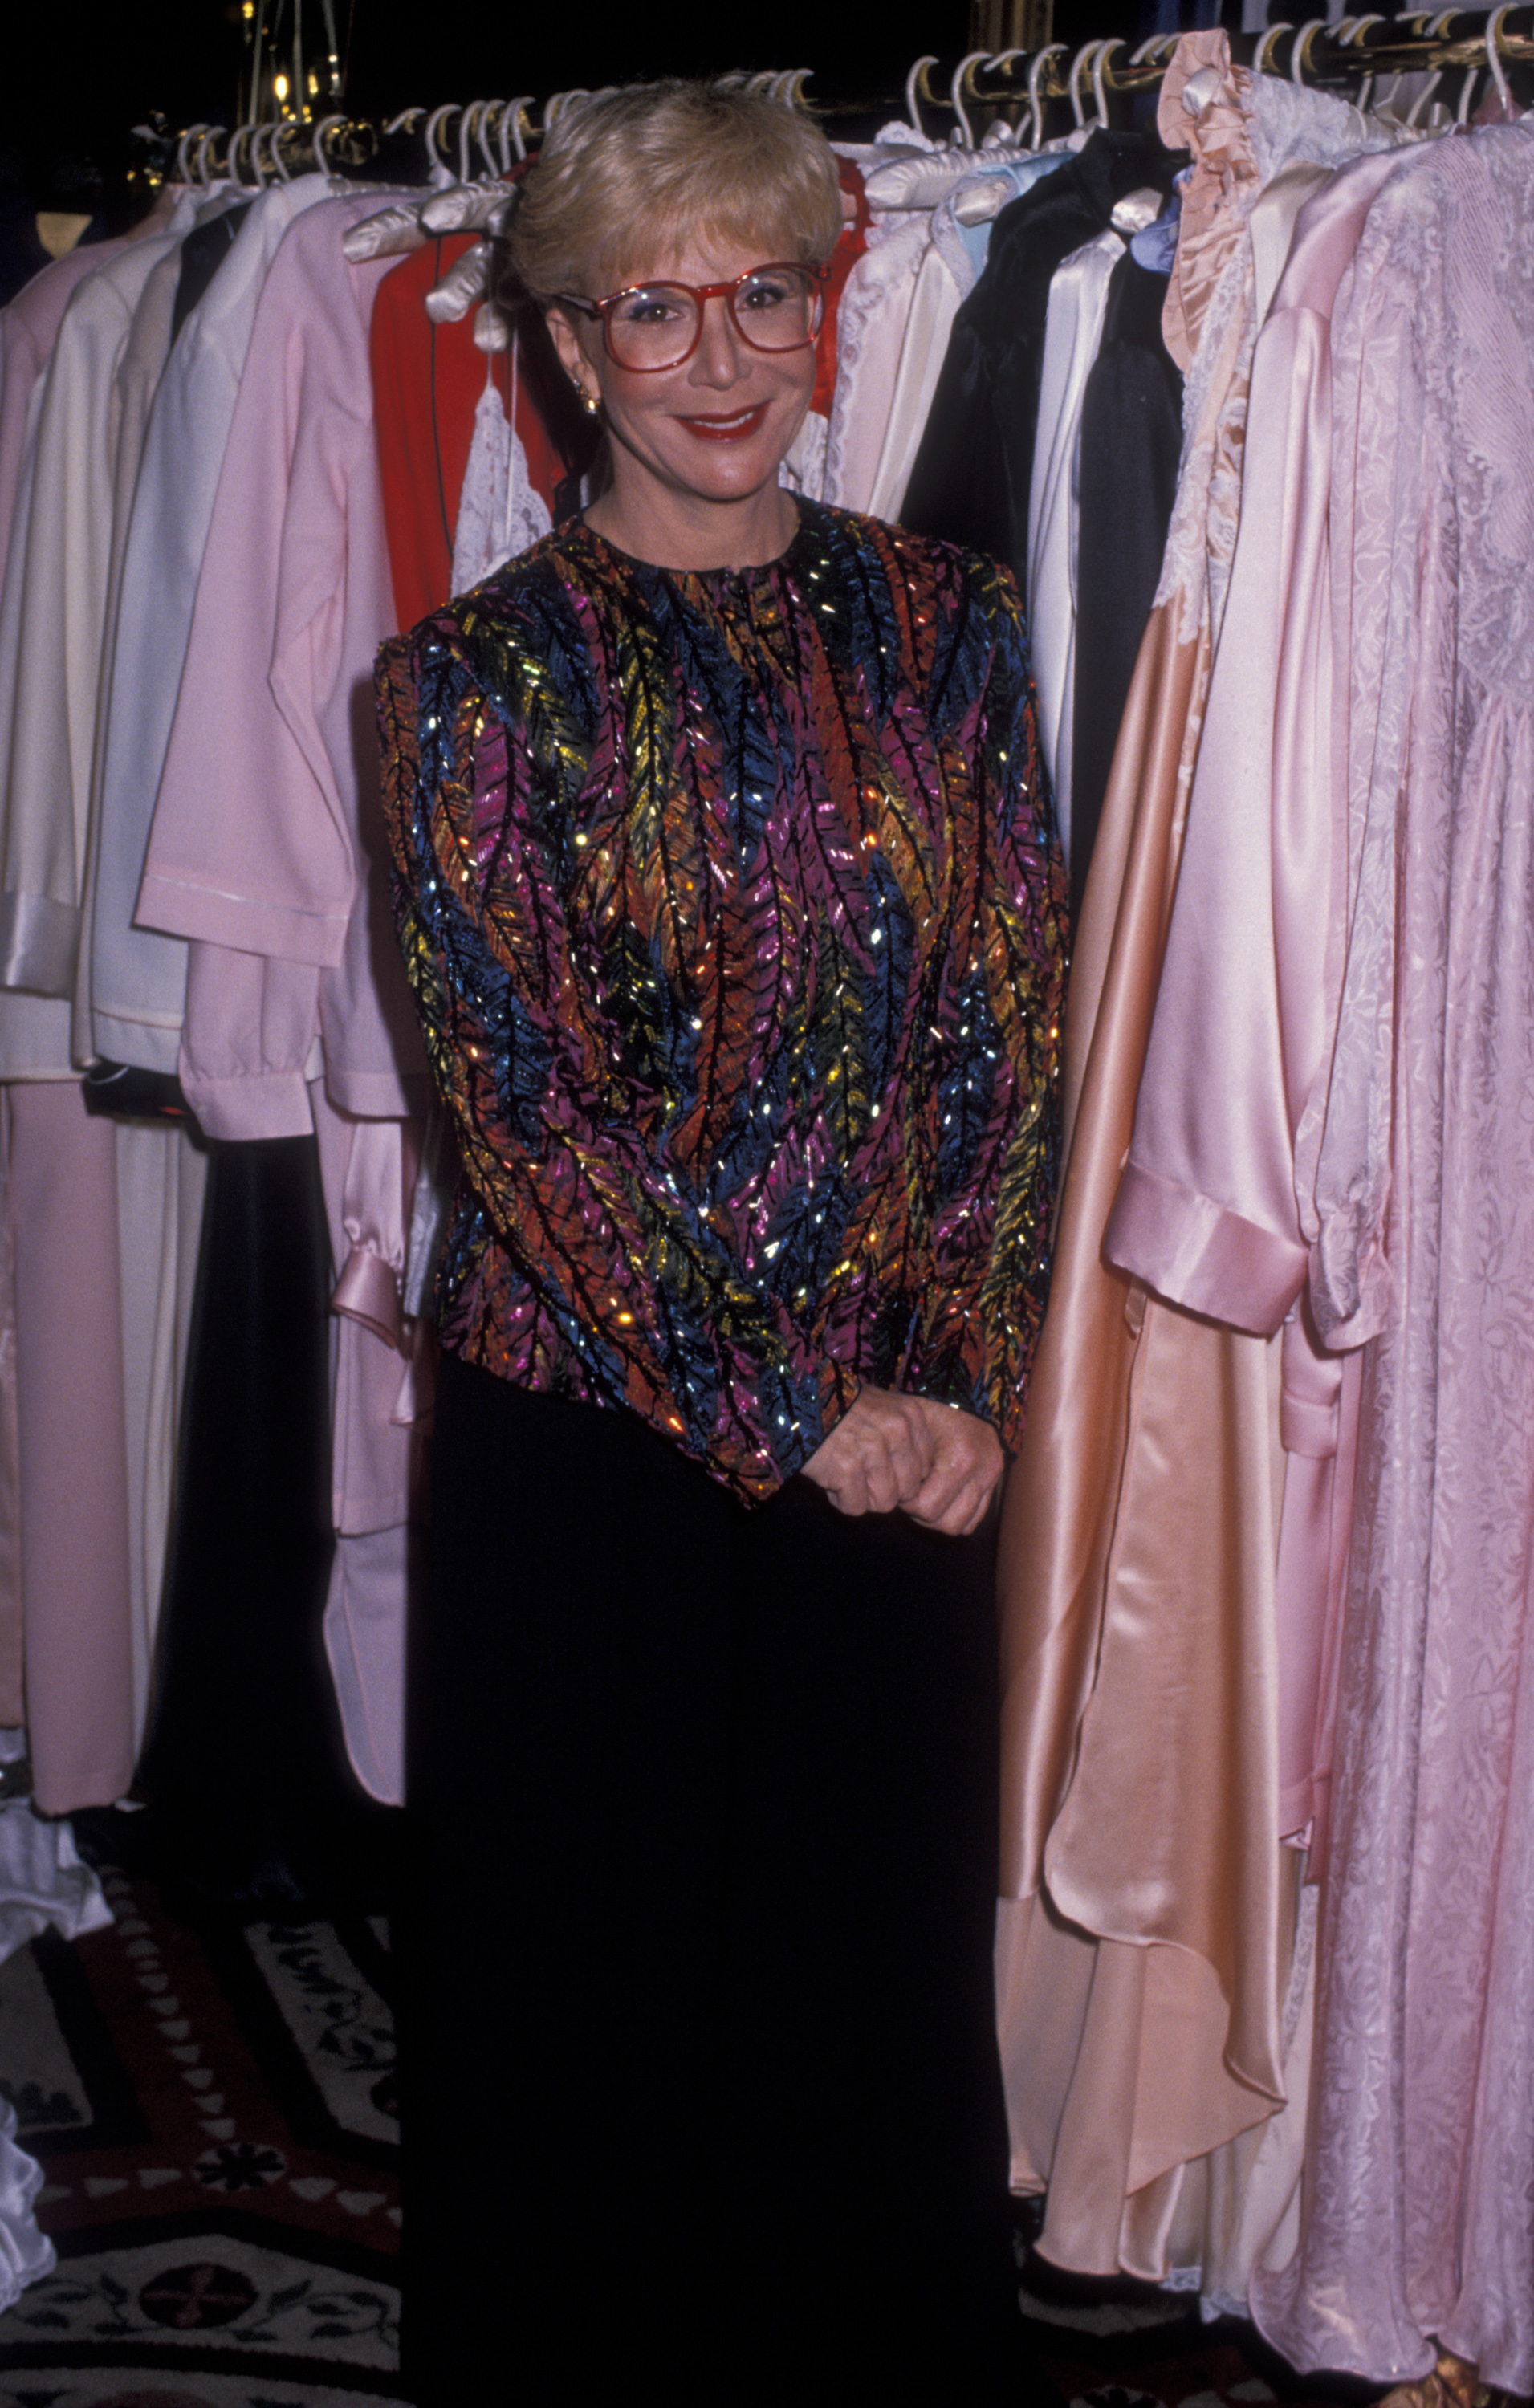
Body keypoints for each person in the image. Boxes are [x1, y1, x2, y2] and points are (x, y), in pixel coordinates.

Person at [373, 77, 1068, 2405]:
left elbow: (1013, 1035)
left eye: (765, 292)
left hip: (905, 1447)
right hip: (593, 1463)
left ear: (827, 310)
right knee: (586, 2027)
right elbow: (522, 1126)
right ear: (564, 347)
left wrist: (958, 1386)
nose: (719, 356)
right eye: (652, 308)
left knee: (868, 2022)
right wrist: (806, 1416)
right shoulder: (469, 687)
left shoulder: (955, 632)